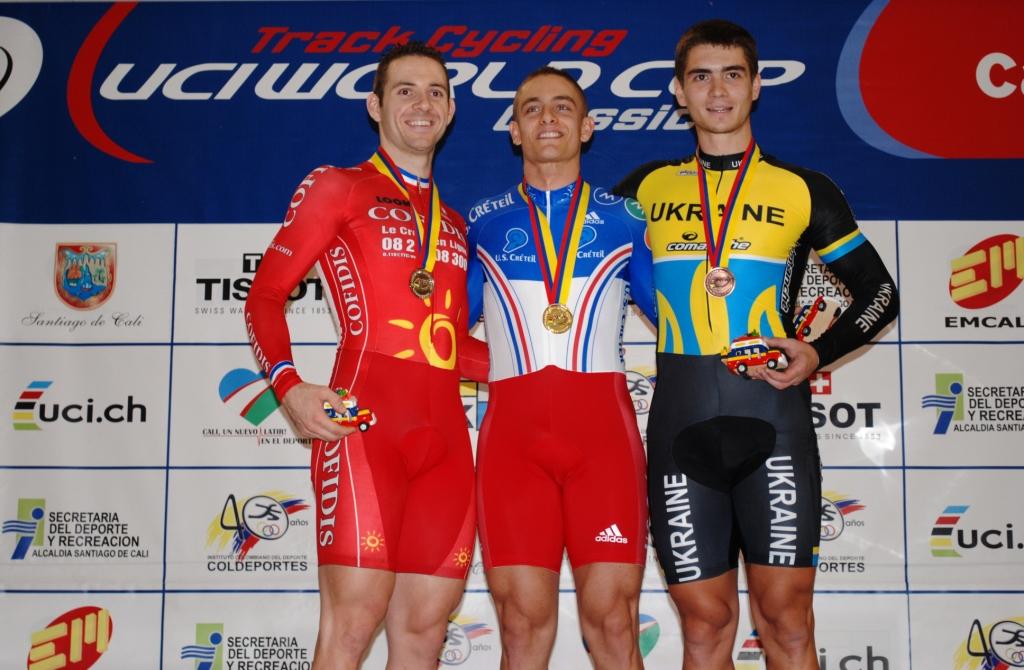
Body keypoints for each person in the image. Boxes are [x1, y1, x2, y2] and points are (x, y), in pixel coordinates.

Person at [614, 20, 899, 670]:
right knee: (705, 627)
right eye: (701, 76)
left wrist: (817, 353)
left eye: (733, 74)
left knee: (786, 620)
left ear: (756, 86)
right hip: (681, 428)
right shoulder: (643, 190)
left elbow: (879, 293)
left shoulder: (803, 189)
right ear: (679, 92)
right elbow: (582, 279)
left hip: (773, 422)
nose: (718, 90)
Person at [244, 42, 487, 670]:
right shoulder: (339, 186)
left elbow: (451, 348)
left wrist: (548, 367)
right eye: (405, 90)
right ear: (375, 105)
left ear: (452, 110)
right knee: (351, 625)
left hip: (445, 441)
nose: (422, 103)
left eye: (435, 91)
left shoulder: (457, 225)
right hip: (363, 425)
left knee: (424, 633)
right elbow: (266, 295)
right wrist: (288, 386)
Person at [467, 66, 656, 670]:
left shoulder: (629, 219)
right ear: (515, 131)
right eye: (532, 109)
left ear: (588, 126)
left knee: (613, 623)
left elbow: (677, 323)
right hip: (512, 442)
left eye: (563, 107)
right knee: (521, 627)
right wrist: (497, 370)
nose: (547, 118)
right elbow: (434, 335)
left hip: (602, 437)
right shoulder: (481, 222)